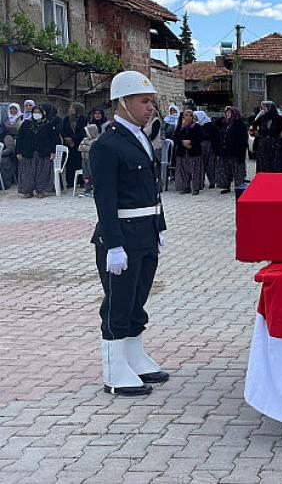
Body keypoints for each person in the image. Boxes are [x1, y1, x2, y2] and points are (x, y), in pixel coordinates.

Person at [90, 70, 168, 396]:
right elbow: (104, 200)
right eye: (144, 101)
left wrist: (159, 227)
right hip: (121, 236)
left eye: (151, 101)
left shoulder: (139, 139)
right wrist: (114, 245)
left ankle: (134, 356)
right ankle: (114, 368)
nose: (151, 107)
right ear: (123, 102)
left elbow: (152, 190)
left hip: (145, 233)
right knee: (118, 303)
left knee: (138, 300)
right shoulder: (107, 145)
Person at [15, 104, 59, 198]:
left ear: (43, 114)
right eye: (34, 112)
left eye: (38, 112)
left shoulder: (47, 125)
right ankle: (28, 191)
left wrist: (52, 151)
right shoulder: (26, 124)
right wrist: (18, 152)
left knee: (42, 172)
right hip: (28, 152)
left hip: (43, 152)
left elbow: (54, 139)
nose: (36, 114)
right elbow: (20, 138)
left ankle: (40, 191)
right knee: (27, 173)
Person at [216, 106, 248, 194]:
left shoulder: (240, 124)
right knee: (224, 170)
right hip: (224, 151)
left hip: (235, 152)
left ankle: (239, 187)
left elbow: (243, 140)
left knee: (237, 171)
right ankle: (225, 186)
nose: (227, 114)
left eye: (229, 113)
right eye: (226, 113)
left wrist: (242, 153)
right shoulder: (224, 123)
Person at [174, 109, 203, 195]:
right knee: (183, 170)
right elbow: (176, 138)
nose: (188, 117)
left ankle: (196, 188)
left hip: (193, 151)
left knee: (195, 170)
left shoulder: (196, 126)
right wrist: (183, 142)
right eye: (186, 115)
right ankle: (186, 187)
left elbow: (199, 138)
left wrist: (190, 142)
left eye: (190, 115)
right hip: (182, 152)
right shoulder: (180, 127)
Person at [62, 102, 87, 187]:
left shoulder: (83, 119)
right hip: (68, 145)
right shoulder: (66, 119)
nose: (70, 109)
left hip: (79, 144)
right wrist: (67, 139)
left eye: (72, 107)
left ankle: (81, 181)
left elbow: (83, 132)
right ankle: (70, 182)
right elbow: (63, 131)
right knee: (69, 163)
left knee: (80, 162)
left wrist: (73, 139)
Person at [256, 100, 282, 173]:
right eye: (263, 107)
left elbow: (281, 132)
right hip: (263, 145)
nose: (264, 109)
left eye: (266, 107)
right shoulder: (262, 118)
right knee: (263, 166)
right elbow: (254, 125)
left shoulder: (279, 119)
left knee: (274, 166)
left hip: (275, 145)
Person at [193, 110, 217, 188]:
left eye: (196, 117)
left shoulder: (209, 125)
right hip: (200, 147)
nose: (195, 119)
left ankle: (212, 182)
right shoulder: (197, 126)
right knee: (201, 165)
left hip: (209, 147)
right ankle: (200, 182)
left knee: (210, 165)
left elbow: (210, 136)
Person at [77, 123, 99, 197]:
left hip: (92, 161)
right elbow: (80, 147)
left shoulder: (96, 141)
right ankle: (87, 189)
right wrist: (87, 147)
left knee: (92, 174)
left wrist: (86, 147)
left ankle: (96, 190)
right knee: (86, 175)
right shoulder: (85, 139)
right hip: (84, 160)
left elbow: (91, 148)